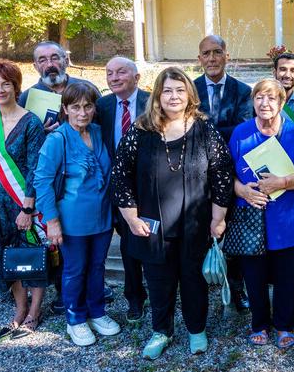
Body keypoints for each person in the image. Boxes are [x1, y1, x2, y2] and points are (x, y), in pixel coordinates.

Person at [111, 67, 232, 359]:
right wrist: (131, 217)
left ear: (189, 93)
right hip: (152, 226)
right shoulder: (141, 130)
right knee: (158, 280)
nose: (174, 96)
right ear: (158, 96)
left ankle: (196, 330)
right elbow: (120, 174)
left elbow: (222, 173)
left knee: (194, 279)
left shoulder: (204, 128)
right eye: (167, 90)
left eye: (180, 89)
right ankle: (161, 331)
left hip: (195, 223)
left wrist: (218, 218)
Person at [229, 79, 294, 350]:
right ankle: (259, 324)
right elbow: (226, 175)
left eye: (271, 98)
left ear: (281, 103)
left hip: (288, 216)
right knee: (254, 276)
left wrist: (282, 182)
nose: (264, 103)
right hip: (251, 215)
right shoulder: (240, 133)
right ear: (252, 101)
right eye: (259, 98)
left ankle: (284, 325)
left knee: (286, 276)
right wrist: (243, 191)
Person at [33, 82, 119, 347]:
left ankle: (97, 311)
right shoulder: (57, 139)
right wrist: (52, 222)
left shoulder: (98, 131)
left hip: (102, 217)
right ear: (65, 109)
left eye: (88, 106)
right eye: (76, 107)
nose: (83, 112)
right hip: (71, 220)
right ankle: (75, 318)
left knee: (97, 267)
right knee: (74, 270)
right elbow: (42, 180)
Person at [0, 62, 47, 338]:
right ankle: (19, 309)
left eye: (5, 83)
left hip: (23, 200)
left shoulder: (31, 121)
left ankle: (35, 311)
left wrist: (27, 208)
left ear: (16, 87)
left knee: (31, 253)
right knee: (10, 256)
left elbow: (35, 167)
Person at [193, 34, 252, 312]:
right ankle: (200, 291)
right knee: (200, 232)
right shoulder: (189, 90)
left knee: (235, 232)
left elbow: (242, 129)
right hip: (196, 176)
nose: (212, 58)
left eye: (217, 52)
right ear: (200, 58)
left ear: (226, 55)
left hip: (234, 174)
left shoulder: (242, 91)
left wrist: (204, 132)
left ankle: (237, 288)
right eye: (206, 54)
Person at [95, 56, 150, 324]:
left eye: (121, 72)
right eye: (109, 73)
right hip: (117, 188)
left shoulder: (153, 102)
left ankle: (160, 290)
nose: (114, 77)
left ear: (137, 77)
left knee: (151, 240)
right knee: (128, 244)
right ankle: (135, 297)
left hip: (151, 186)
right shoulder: (102, 106)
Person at [18, 41, 99, 130]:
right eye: (42, 60)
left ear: (66, 61)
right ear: (36, 67)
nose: (49, 64)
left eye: (55, 58)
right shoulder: (27, 98)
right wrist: (39, 133)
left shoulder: (88, 88)